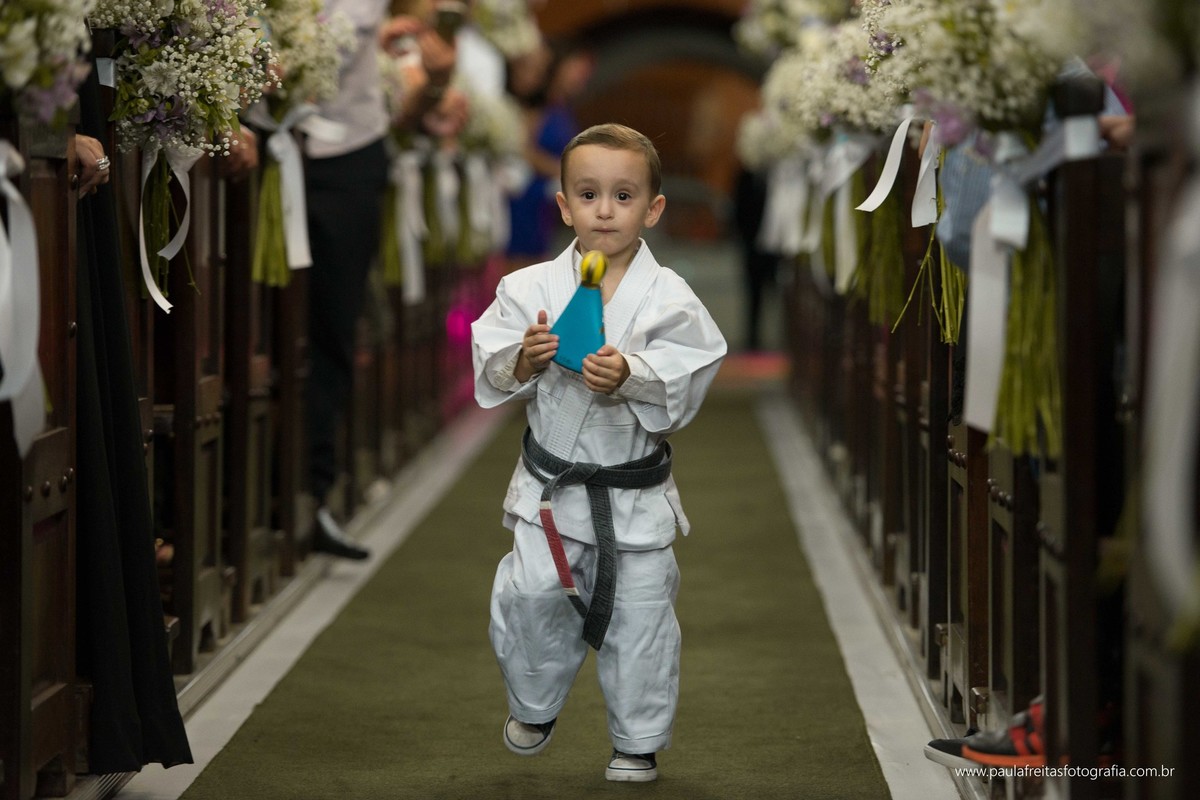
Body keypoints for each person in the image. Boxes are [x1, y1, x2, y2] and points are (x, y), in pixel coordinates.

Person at [470, 123, 727, 783]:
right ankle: (534, 702)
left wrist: (634, 375)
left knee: (640, 622)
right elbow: (490, 355)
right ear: (563, 205)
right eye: (588, 194)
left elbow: (694, 365)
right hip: (551, 498)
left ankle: (636, 742)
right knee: (530, 597)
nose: (605, 209)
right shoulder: (528, 289)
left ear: (653, 208)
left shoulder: (670, 296)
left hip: (634, 499)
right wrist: (522, 357)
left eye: (622, 195)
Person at [305, 0, 456, 560]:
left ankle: (314, 493)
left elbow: (393, 108)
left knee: (335, 330)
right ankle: (280, 497)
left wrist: (432, 84)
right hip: (270, 148)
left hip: (346, 158)